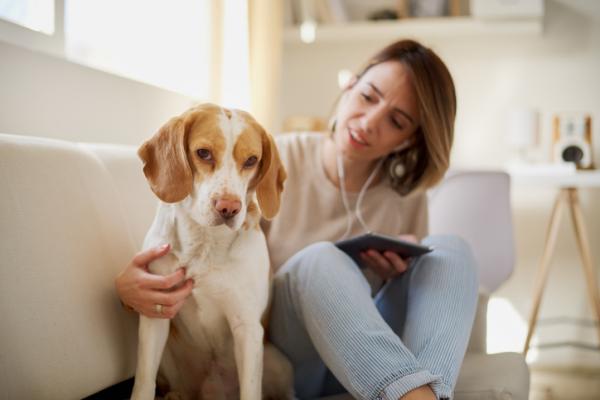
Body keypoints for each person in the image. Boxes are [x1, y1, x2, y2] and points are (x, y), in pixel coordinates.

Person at [115, 39, 479, 400]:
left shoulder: (407, 196)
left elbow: (420, 304)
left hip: (370, 362)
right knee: (320, 258)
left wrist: (394, 277)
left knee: (450, 251)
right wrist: (131, 292)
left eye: (396, 121)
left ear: (409, 139)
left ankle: (427, 395)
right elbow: (206, 255)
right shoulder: (268, 155)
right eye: (369, 96)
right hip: (292, 353)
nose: (369, 122)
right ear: (350, 84)